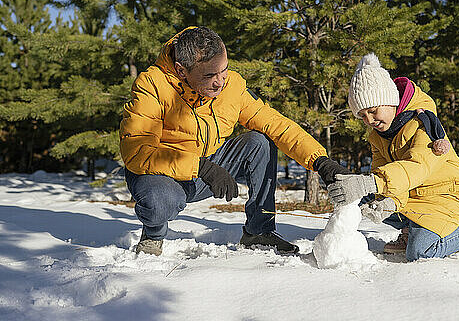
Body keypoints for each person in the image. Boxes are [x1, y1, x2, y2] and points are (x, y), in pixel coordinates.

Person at [120, 26, 348, 256]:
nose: (220, 82)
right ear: (181, 71)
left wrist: (320, 161)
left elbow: (276, 124)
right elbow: (137, 153)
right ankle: (153, 234)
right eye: (209, 76)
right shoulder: (151, 86)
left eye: (224, 71)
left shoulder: (233, 86)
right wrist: (201, 167)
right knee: (159, 202)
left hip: (209, 165)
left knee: (259, 142)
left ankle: (259, 231)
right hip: (162, 175)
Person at [326, 53, 459, 261]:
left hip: (446, 196)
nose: (369, 120)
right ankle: (410, 229)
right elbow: (393, 177)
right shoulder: (377, 137)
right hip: (415, 197)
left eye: (373, 111)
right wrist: (389, 203)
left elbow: (416, 168)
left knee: (420, 253)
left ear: (388, 100)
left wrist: (370, 183)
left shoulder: (422, 123)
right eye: (362, 115)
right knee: (366, 202)